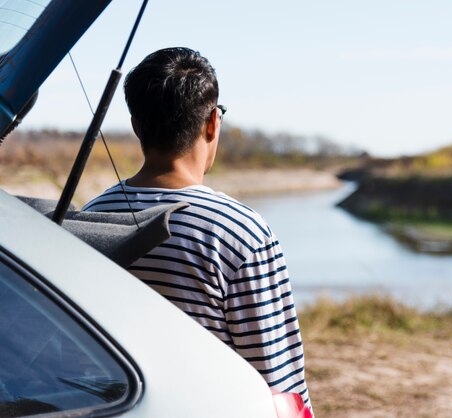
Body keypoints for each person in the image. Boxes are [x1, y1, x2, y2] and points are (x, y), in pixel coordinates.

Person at [83, 47, 312, 410]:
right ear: (212, 123)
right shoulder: (241, 231)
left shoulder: (90, 218)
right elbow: (278, 381)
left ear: (137, 126)